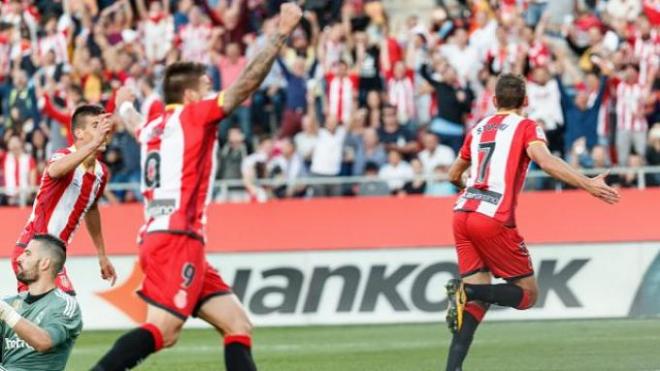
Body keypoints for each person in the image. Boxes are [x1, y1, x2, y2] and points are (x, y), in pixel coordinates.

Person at [97, 4, 303, 371]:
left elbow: (130, 119)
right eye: (208, 86)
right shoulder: (195, 115)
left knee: (236, 323)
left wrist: (123, 102)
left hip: (164, 236)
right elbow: (246, 85)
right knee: (165, 329)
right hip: (178, 237)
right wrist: (281, 34)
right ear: (191, 96)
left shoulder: (153, 126)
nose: (213, 91)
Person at [443, 73, 620, 371]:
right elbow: (547, 162)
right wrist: (588, 184)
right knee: (527, 295)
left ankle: (453, 367)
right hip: (492, 217)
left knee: (478, 303)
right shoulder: (527, 127)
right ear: (526, 101)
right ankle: (467, 290)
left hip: (462, 214)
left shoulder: (479, 127)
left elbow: (452, 174)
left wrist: (470, 190)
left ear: (494, 100)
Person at [12, 105, 117, 296]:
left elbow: (91, 209)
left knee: (43, 320)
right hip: (32, 250)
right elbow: (55, 171)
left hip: (53, 256)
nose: (104, 130)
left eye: (104, 124)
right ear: (79, 133)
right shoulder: (62, 156)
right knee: (61, 313)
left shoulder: (101, 173)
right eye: (96, 125)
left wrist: (102, 255)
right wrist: (93, 145)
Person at [0, 234, 82, 371]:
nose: (19, 258)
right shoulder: (9, 302)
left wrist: (5, 312)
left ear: (45, 263)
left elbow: (44, 342)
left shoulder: (64, 305)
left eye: (27, 254)